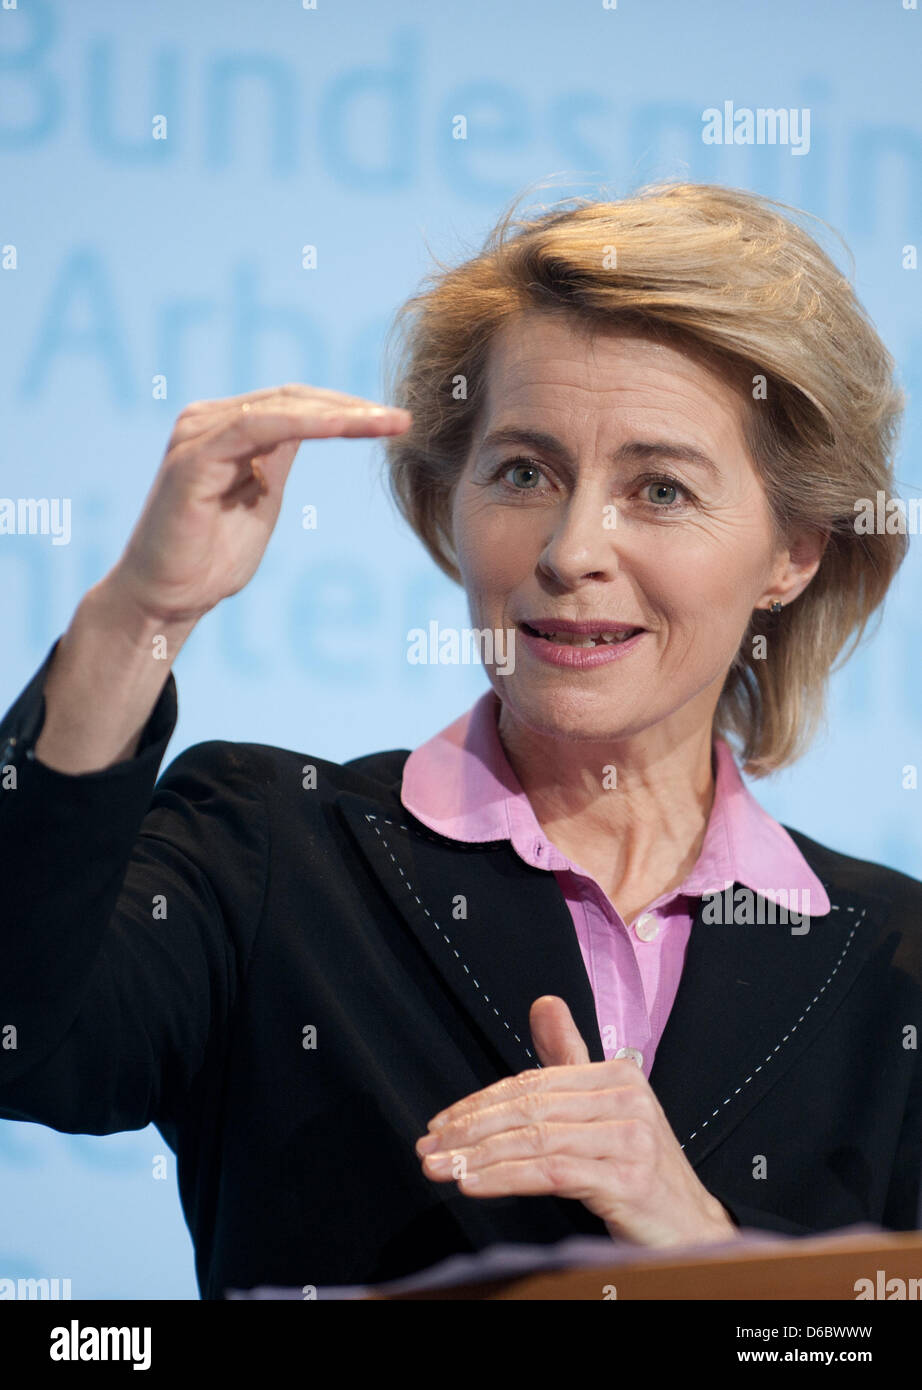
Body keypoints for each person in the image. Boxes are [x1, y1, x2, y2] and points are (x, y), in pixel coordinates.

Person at [1, 181, 920, 1301]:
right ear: (451, 499)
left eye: (661, 487)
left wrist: (702, 1254)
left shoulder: (896, 970)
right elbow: (20, 1034)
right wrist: (139, 618)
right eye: (523, 472)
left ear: (796, 551)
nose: (573, 548)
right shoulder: (269, 851)